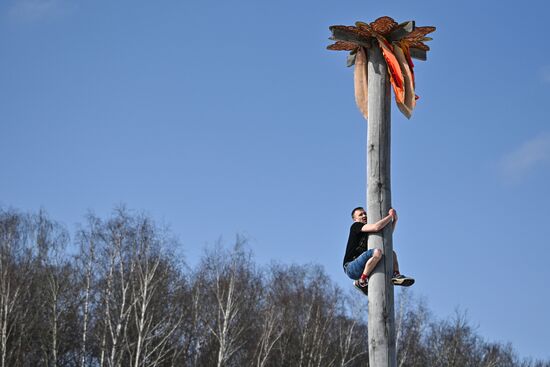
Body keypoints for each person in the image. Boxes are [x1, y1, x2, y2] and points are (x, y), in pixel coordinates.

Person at [343, 207, 414, 296]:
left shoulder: (367, 230)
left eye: (365, 213)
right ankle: (362, 281)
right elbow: (377, 227)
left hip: (362, 265)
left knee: (391, 253)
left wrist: (394, 220)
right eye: (360, 214)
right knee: (377, 252)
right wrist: (389, 216)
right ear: (355, 219)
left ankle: (396, 275)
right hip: (350, 266)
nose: (364, 215)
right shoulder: (356, 226)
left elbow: (386, 235)